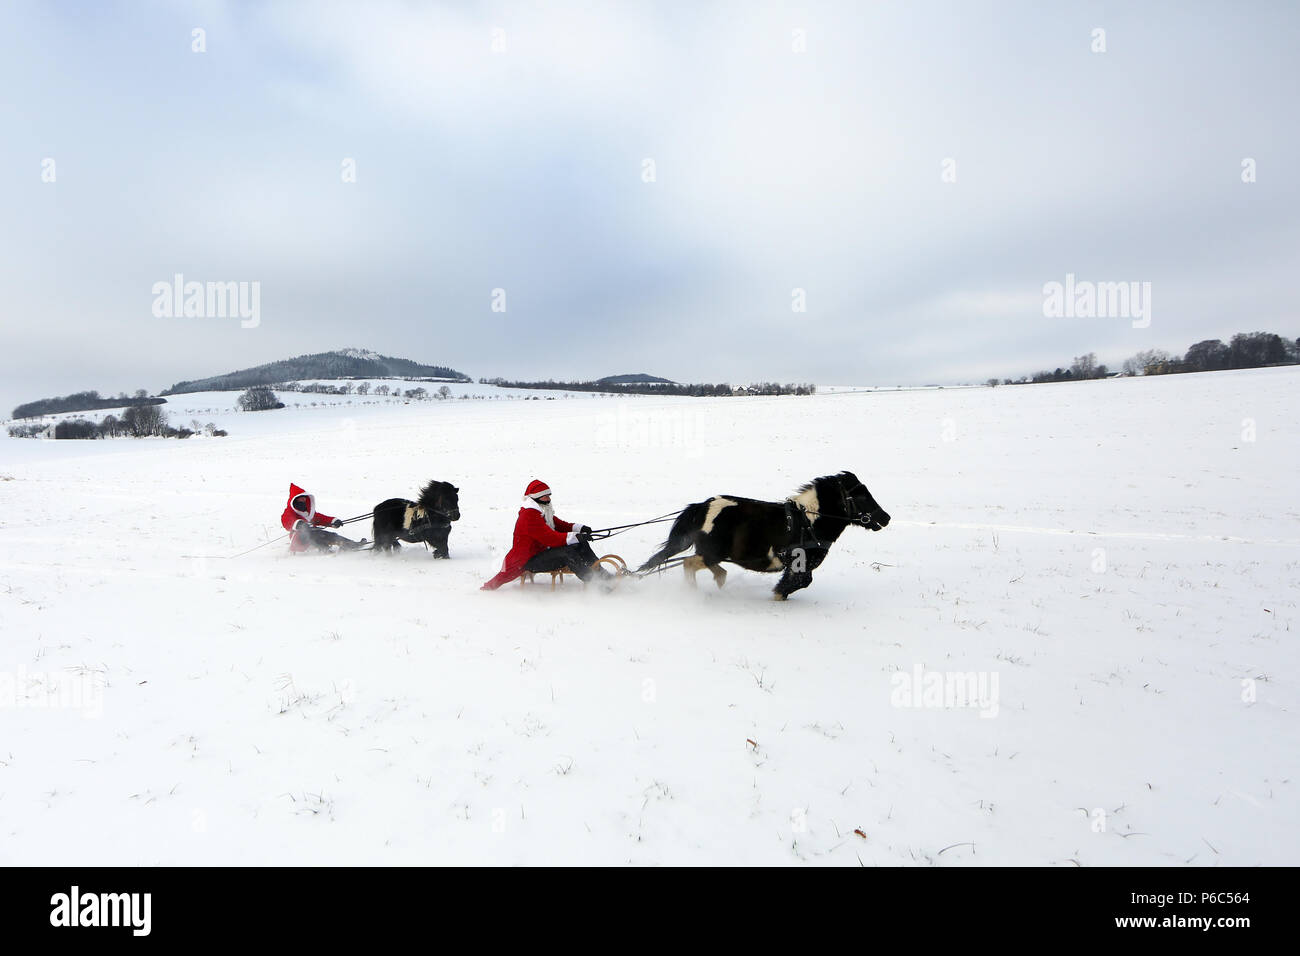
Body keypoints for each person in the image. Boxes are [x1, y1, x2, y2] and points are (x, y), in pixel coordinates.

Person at [480, 479, 612, 590]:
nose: (549, 498)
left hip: (542, 552)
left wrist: (579, 528)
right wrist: (575, 536)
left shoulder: (542, 511)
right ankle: (595, 584)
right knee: (568, 553)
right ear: (536, 497)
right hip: (529, 561)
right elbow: (551, 538)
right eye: (545, 496)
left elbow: (559, 525)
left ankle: (602, 574)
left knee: (581, 543)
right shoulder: (529, 516)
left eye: (549, 495)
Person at [281, 483, 364, 553]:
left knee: (329, 535)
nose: (303, 501)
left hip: (314, 534)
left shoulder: (309, 513)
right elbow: (286, 521)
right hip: (299, 539)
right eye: (300, 500)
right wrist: (299, 523)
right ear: (294, 500)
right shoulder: (289, 512)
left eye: (304, 499)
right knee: (317, 534)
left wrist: (334, 521)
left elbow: (322, 518)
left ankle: (349, 544)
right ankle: (325, 549)